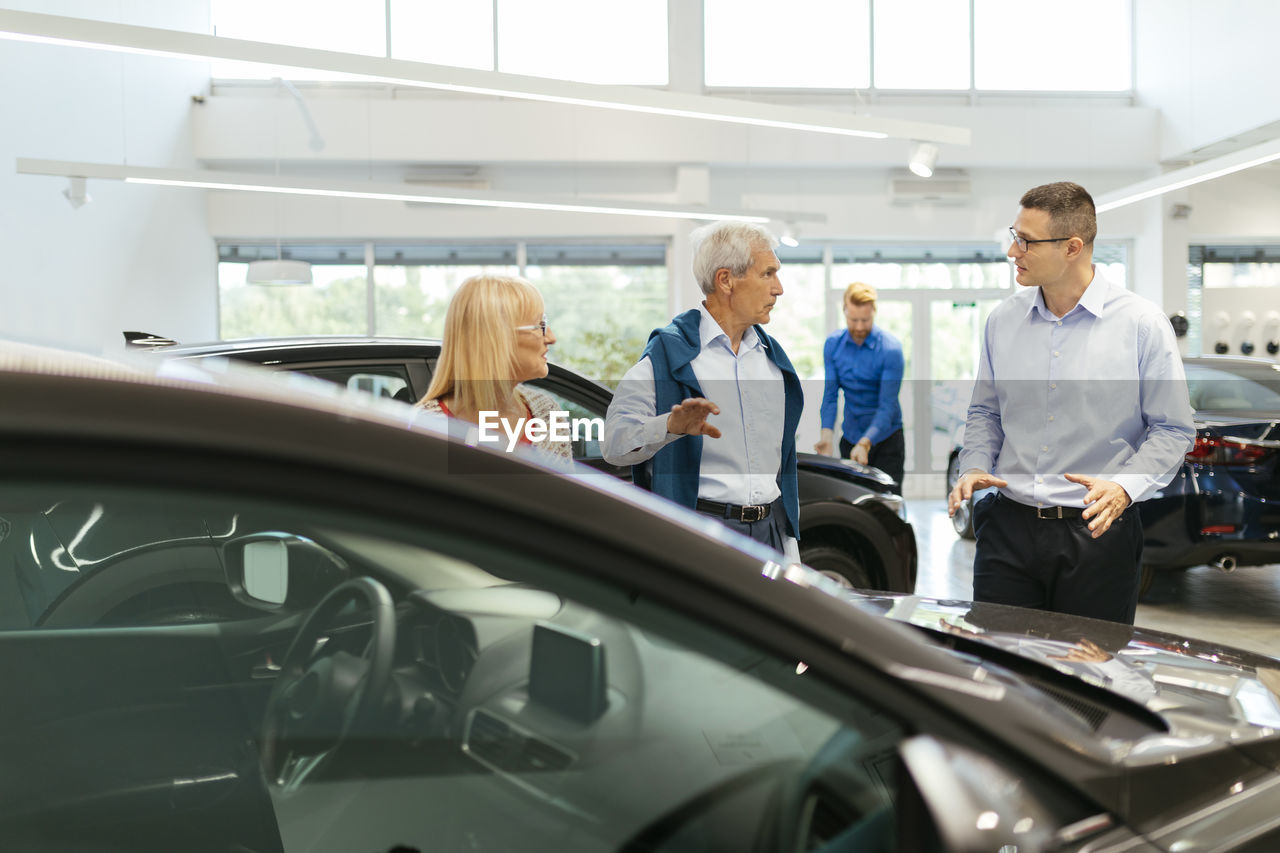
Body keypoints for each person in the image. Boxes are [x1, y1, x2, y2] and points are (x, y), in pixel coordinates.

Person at [947, 181, 1194, 624]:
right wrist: (974, 465)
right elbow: (986, 411)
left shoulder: (1141, 324)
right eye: (1014, 235)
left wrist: (1123, 487)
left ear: (1073, 247)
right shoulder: (1003, 321)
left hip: (1096, 531)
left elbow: (1173, 428)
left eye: (1025, 241)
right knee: (1001, 671)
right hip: (1007, 527)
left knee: (1087, 679)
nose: (1012, 250)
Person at [602, 221, 803, 560]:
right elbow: (614, 444)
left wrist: (788, 547)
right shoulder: (667, 358)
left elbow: (781, 470)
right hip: (701, 538)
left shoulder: (773, 360)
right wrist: (668, 427)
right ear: (726, 280)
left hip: (770, 536)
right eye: (767, 274)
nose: (778, 288)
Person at [417, 273, 572, 462]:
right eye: (540, 325)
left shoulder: (547, 414)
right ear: (497, 339)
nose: (551, 337)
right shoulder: (424, 427)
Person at [814, 282, 905, 494]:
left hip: (886, 441)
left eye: (865, 320)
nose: (859, 327)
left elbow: (887, 406)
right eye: (853, 320)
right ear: (844, 311)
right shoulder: (833, 345)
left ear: (874, 312)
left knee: (887, 504)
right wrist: (827, 437)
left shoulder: (891, 349)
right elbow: (830, 396)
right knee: (852, 502)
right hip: (851, 437)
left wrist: (865, 443)